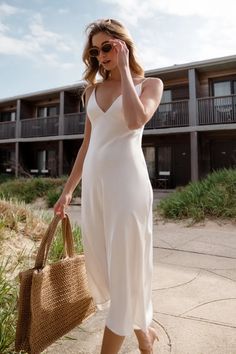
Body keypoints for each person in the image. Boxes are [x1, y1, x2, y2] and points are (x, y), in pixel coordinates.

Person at [54, 18, 163, 354]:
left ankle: (125, 338)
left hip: (128, 187)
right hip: (96, 190)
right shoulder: (91, 91)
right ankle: (144, 333)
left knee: (126, 265)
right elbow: (88, 145)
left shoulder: (150, 84)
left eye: (107, 47)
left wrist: (127, 70)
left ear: (122, 44)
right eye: (95, 50)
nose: (101, 55)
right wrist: (68, 189)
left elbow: (134, 119)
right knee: (107, 265)